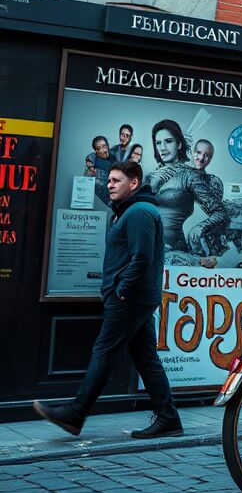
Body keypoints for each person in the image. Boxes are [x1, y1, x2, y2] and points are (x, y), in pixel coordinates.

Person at [33, 161, 182, 438]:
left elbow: (142, 257)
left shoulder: (138, 212)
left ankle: (75, 414)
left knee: (103, 352)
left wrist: (121, 289)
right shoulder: (131, 211)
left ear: (134, 183)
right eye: (109, 180)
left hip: (129, 299)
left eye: (116, 180)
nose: (110, 184)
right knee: (147, 358)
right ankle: (168, 418)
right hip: (134, 298)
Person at [146, 119, 227, 259]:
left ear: (179, 145)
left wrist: (199, 228)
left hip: (172, 253)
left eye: (168, 141)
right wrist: (153, 184)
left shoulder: (189, 175)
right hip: (144, 248)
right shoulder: (149, 177)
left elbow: (220, 213)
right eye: (158, 143)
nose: (163, 147)